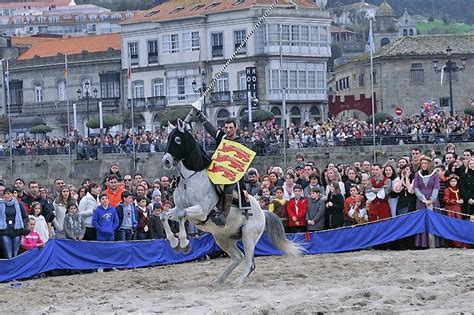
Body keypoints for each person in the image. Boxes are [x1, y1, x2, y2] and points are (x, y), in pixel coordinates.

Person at [196, 110, 247, 226]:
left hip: (233, 174)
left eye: (230, 128)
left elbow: (240, 161)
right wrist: (200, 115)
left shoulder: (240, 142)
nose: (228, 130)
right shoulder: (222, 137)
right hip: (218, 171)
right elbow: (211, 129)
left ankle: (224, 215)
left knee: (228, 189)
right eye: (226, 128)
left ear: (236, 128)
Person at [413, 155, 443, 248]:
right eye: (422, 163)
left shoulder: (434, 174)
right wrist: (423, 199)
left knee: (433, 221)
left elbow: (436, 187)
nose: (423, 165)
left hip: (433, 201)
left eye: (425, 163)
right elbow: (416, 187)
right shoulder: (417, 174)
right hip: (421, 201)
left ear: (429, 164)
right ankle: (423, 243)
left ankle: (434, 243)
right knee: (422, 221)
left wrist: (431, 200)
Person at [0, 187, 28, 259]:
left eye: (8, 194)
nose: (6, 195)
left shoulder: (19, 204)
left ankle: (14, 270)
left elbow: (25, 217)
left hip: (16, 232)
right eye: (4, 194)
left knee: (15, 254)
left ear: (13, 194)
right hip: (4, 232)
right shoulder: (1, 204)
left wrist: (23, 225)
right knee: (8, 255)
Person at [443, 174, 468, 248]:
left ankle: (459, 242)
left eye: (454, 181)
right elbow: (446, 199)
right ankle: (450, 243)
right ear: (449, 182)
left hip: (458, 209)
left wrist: (461, 200)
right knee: (451, 225)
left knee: (458, 224)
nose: (453, 182)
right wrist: (455, 201)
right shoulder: (447, 190)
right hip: (451, 209)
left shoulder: (458, 189)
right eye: (451, 181)